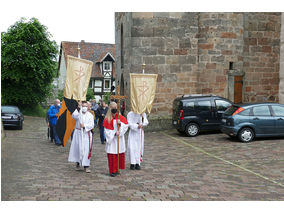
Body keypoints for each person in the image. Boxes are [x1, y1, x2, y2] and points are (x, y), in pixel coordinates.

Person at [68, 101, 95, 173]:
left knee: (86, 150)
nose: (85, 108)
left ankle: (86, 166)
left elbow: (92, 125)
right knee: (78, 149)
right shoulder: (78, 114)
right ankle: (78, 163)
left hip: (86, 134)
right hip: (78, 133)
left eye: (86, 106)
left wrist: (85, 126)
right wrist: (78, 108)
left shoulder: (90, 115)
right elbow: (74, 116)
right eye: (83, 106)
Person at [103, 102, 128, 177]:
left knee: (118, 155)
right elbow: (106, 131)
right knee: (112, 155)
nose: (114, 109)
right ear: (110, 108)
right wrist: (114, 133)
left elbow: (126, 126)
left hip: (119, 139)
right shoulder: (107, 119)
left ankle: (117, 169)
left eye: (115, 107)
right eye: (113, 108)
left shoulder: (121, 117)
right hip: (112, 140)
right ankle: (112, 171)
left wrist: (121, 125)